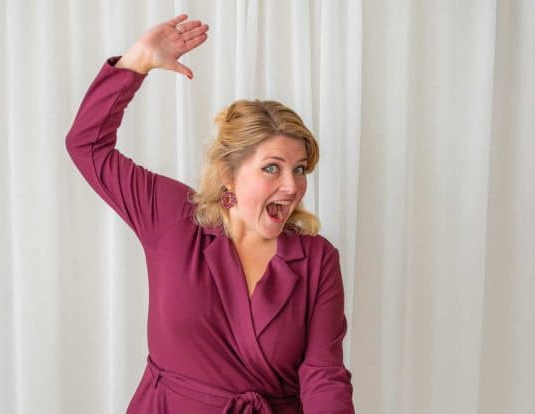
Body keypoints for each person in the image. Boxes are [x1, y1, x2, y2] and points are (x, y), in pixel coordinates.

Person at [66, 14, 354, 414]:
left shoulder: (317, 259)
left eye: (300, 169)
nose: (292, 186)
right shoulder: (171, 216)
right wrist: (137, 62)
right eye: (272, 168)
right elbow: (87, 146)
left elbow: (324, 375)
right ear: (229, 174)